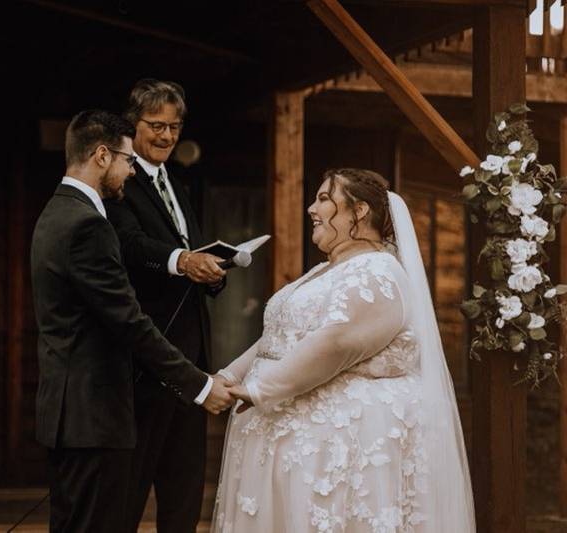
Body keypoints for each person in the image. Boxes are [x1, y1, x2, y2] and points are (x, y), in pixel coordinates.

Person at [213, 168, 475, 532]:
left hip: (332, 453)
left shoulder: (378, 273)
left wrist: (260, 389)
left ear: (359, 211)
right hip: (290, 443)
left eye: (323, 198)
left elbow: (336, 342)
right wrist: (229, 375)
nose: (310, 208)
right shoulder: (325, 271)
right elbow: (279, 335)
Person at [30, 110, 233, 533]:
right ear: (102, 156)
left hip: (69, 416)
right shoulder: (88, 225)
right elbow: (129, 322)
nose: (129, 171)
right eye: (126, 160)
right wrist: (199, 385)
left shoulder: (55, 212)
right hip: (95, 417)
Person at [105, 79, 226, 533]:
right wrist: (182, 261)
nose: (167, 136)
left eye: (174, 127)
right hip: (146, 363)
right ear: (133, 124)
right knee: (132, 488)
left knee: (184, 490)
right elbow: (130, 244)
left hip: (191, 363)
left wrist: (213, 272)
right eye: (156, 125)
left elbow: (191, 249)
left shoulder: (177, 183)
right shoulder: (118, 180)